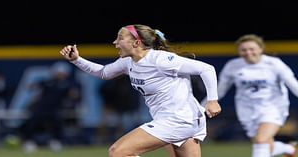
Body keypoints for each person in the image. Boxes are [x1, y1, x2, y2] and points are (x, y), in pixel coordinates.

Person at [60, 24, 221, 157]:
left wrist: (212, 100)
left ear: (137, 43)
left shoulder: (160, 60)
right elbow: (104, 72)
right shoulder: (129, 62)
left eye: (120, 38)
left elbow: (206, 69)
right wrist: (77, 60)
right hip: (177, 120)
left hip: (179, 120)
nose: (115, 42)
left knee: (118, 152)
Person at [217, 34, 297, 157]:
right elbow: (220, 90)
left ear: (261, 49)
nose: (248, 52)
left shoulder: (274, 64)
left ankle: (287, 148)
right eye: (244, 50)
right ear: (239, 51)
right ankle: (288, 149)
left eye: (252, 49)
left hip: (273, 107)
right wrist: (203, 106)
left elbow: (293, 84)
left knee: (261, 141)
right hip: (246, 109)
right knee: (263, 144)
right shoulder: (232, 66)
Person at [22, 61, 81, 153]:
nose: (60, 74)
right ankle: (29, 142)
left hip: (55, 108)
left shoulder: (68, 84)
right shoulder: (49, 82)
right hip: (41, 107)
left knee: (57, 124)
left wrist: (73, 94)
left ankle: (55, 142)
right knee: (33, 123)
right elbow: (35, 87)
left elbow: (74, 94)